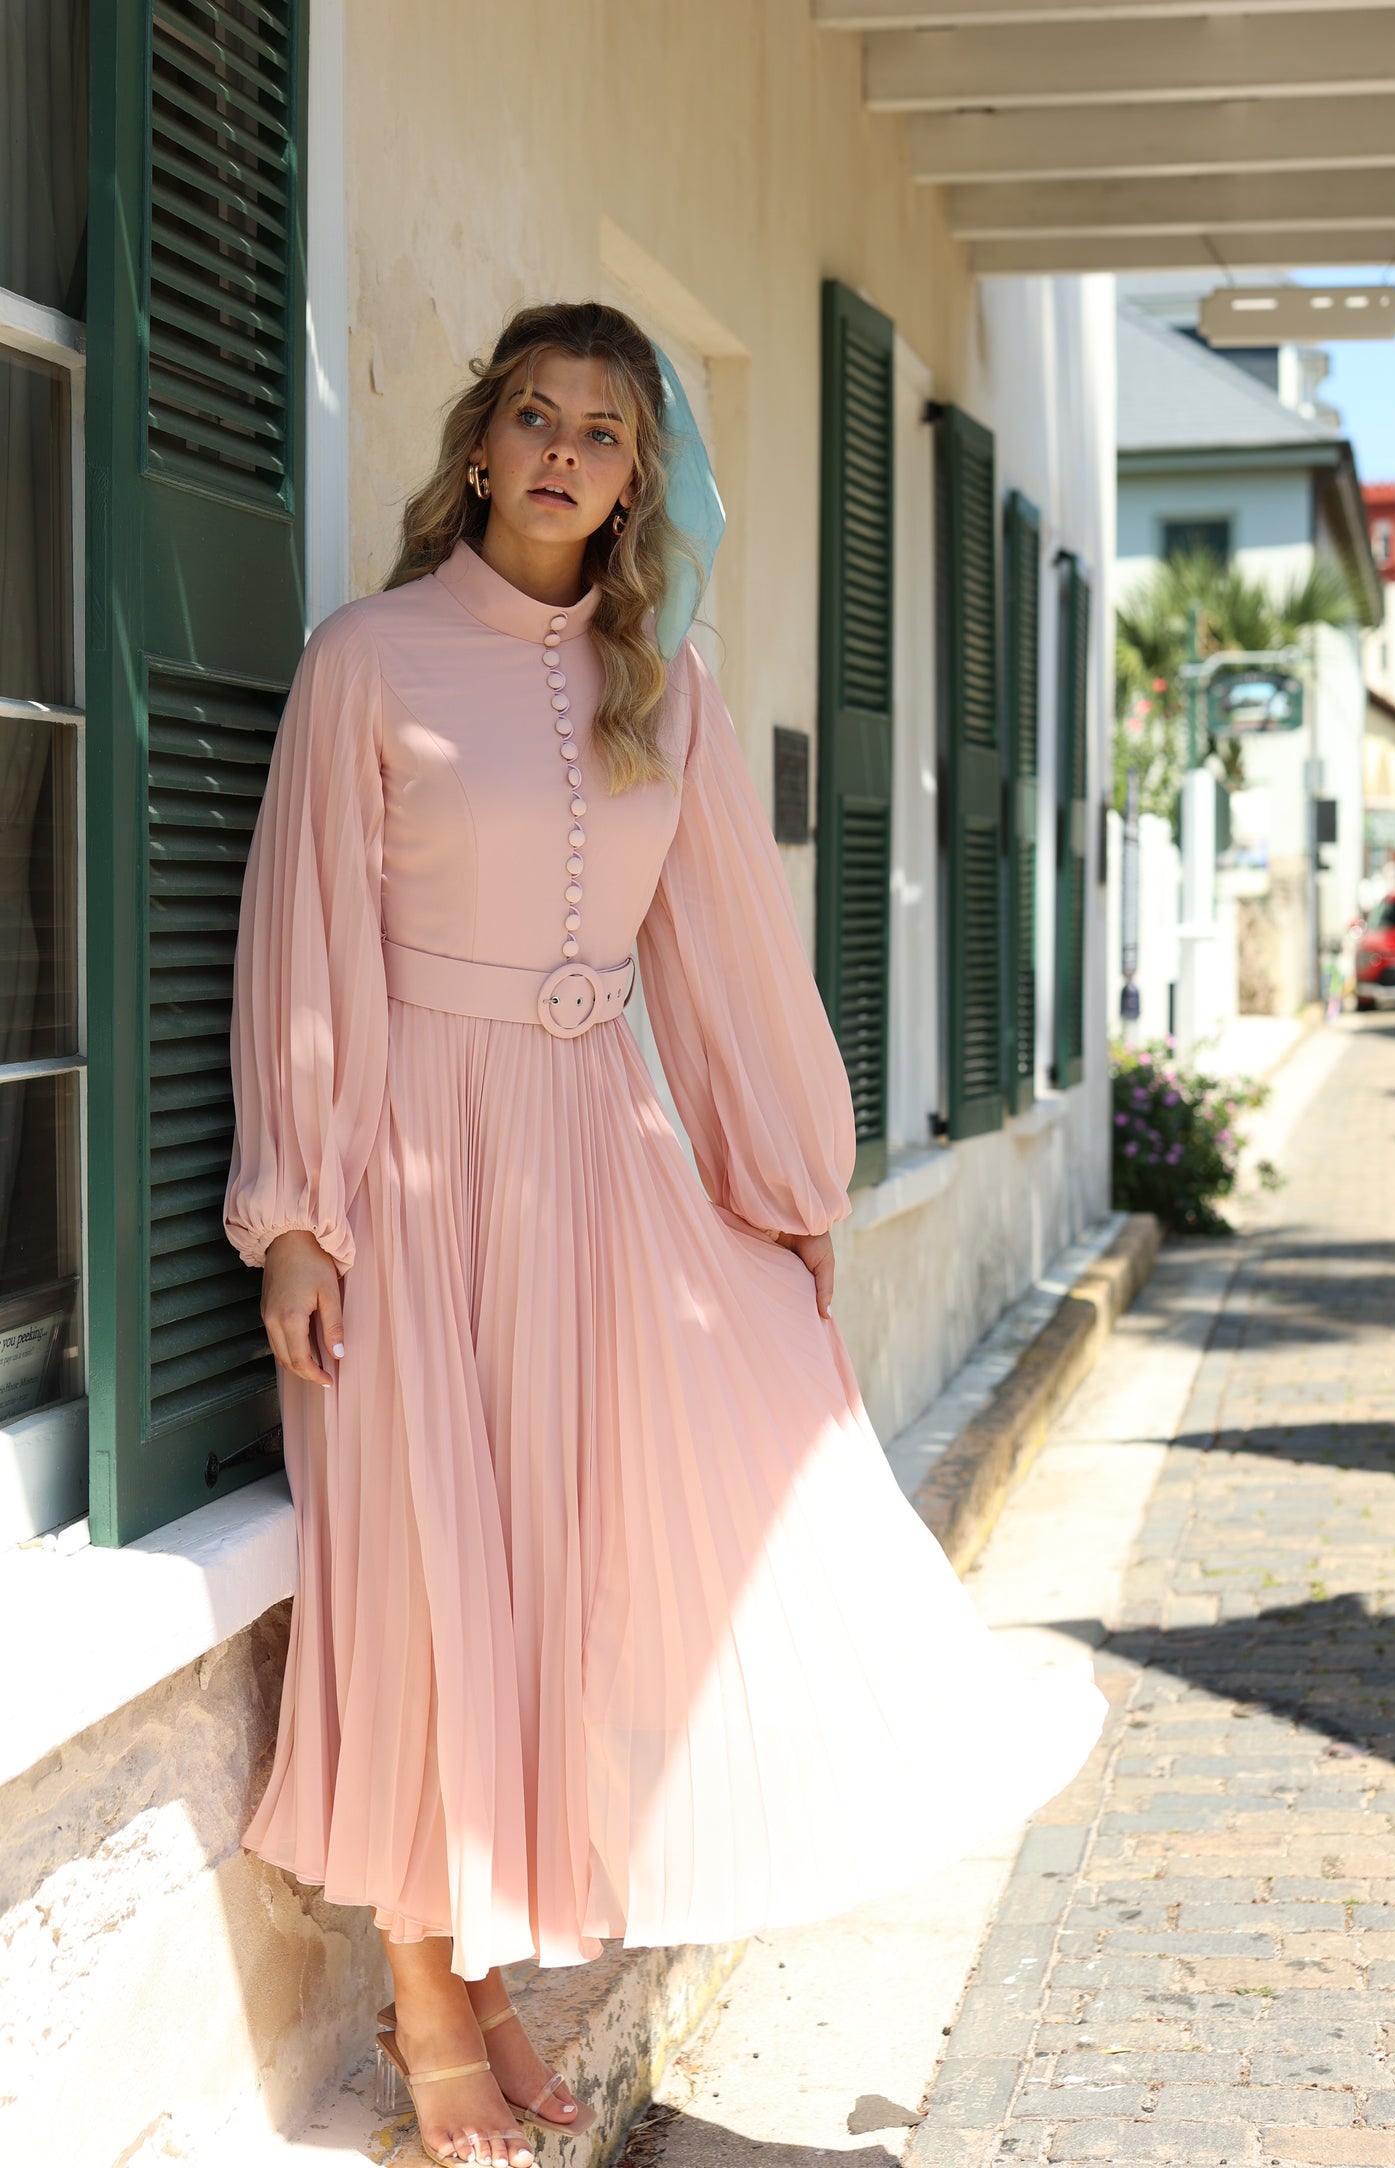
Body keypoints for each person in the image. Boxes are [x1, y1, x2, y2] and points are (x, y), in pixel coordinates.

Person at [224, 301, 1106, 2168]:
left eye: (603, 432)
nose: (561, 451)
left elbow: (720, 962)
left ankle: (476, 1986)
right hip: (412, 1167)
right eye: (533, 418)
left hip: (605, 1167)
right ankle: (423, 1999)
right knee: (422, 1573)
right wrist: (298, 1214)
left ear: (634, 479)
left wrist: (781, 1194)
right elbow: (301, 938)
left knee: (564, 1572)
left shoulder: (665, 690)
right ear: (478, 447)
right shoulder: (367, 660)